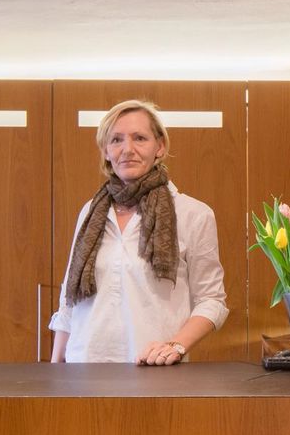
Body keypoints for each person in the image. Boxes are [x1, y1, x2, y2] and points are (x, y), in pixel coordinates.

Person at [49, 99, 228, 365]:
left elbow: (211, 300)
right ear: (106, 151)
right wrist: (55, 371)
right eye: (116, 140)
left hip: (156, 372)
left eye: (140, 138)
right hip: (82, 370)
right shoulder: (90, 212)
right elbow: (69, 302)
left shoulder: (193, 214)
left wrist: (175, 346)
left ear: (160, 146)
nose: (127, 149)